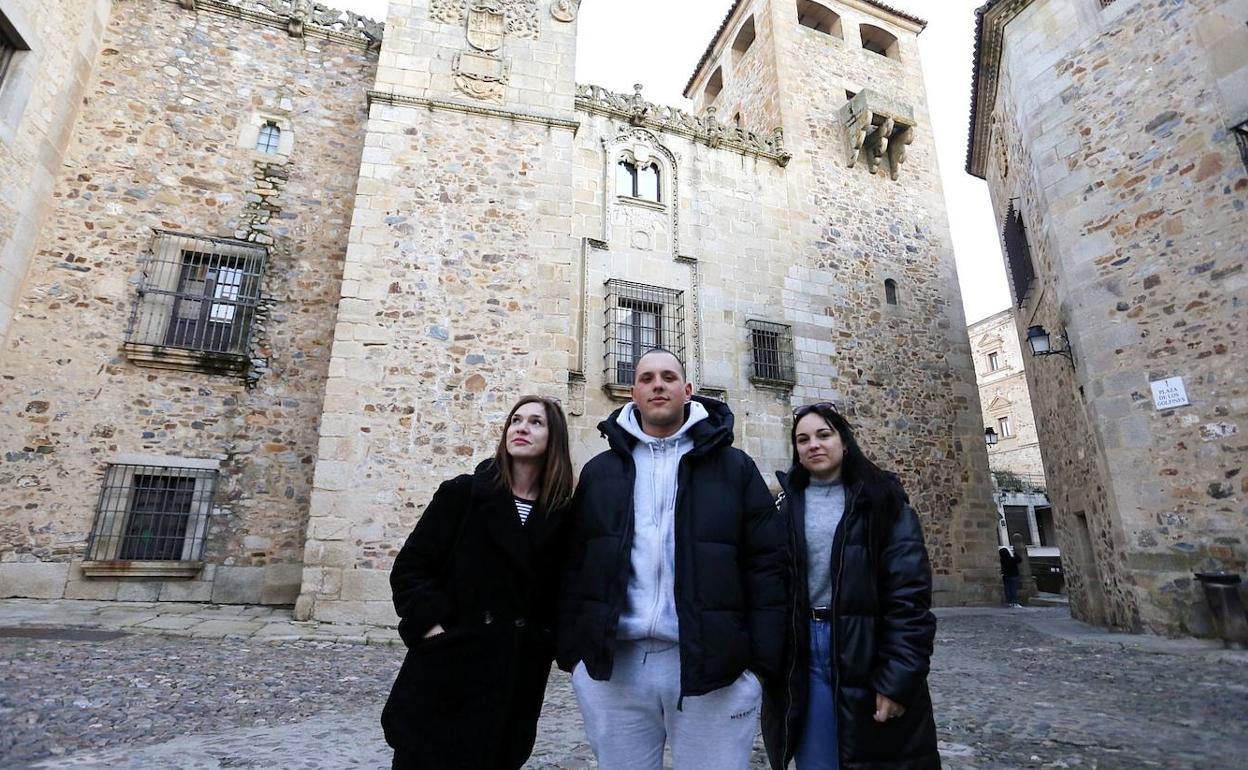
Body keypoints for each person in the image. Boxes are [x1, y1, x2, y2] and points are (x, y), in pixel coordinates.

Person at [557, 348, 788, 770]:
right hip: (616, 672)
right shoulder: (600, 473)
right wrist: (575, 658)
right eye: (646, 378)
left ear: (688, 390)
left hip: (715, 669)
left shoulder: (735, 468)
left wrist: (757, 668)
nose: (657, 385)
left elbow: (767, 566)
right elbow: (574, 565)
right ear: (633, 393)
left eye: (667, 377)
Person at [381, 396, 575, 770]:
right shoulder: (462, 494)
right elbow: (411, 569)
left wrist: (546, 641)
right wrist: (434, 630)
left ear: (555, 438)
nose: (521, 427)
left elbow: (561, 592)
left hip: (514, 677)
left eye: (536, 422)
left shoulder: (561, 515)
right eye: (516, 420)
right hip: (448, 668)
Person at [762, 402, 940, 770]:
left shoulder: (884, 502)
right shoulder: (783, 506)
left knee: (880, 756)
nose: (814, 445)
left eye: (823, 435)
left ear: (844, 441)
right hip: (804, 650)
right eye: (803, 439)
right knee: (816, 759)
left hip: (866, 646)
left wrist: (898, 678)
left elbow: (909, 598)